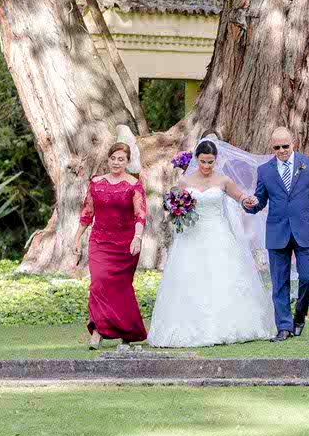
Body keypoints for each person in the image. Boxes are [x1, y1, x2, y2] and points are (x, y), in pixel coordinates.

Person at [148, 139, 276, 347]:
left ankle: (230, 325)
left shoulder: (223, 180)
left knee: (223, 276)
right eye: (203, 162)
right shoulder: (185, 182)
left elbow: (240, 196)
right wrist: (175, 208)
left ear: (216, 161)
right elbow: (174, 205)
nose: (207, 167)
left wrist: (247, 200)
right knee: (190, 278)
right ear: (196, 159)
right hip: (192, 236)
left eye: (210, 162)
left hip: (218, 233)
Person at [243, 127, 309, 341]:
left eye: (285, 146)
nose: (282, 150)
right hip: (277, 231)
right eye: (277, 147)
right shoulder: (265, 170)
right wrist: (250, 204)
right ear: (271, 147)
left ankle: (299, 317)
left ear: (294, 143)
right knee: (279, 282)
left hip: (307, 230)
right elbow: (260, 199)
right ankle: (283, 327)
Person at [73, 141, 148, 350]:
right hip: (99, 242)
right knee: (98, 284)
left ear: (127, 161)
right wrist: (77, 237)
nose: (116, 162)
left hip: (126, 245)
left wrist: (137, 238)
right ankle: (97, 331)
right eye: (113, 159)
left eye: (121, 159)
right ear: (108, 160)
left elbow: (140, 215)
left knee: (121, 289)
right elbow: (87, 213)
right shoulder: (96, 183)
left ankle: (127, 332)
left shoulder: (134, 185)